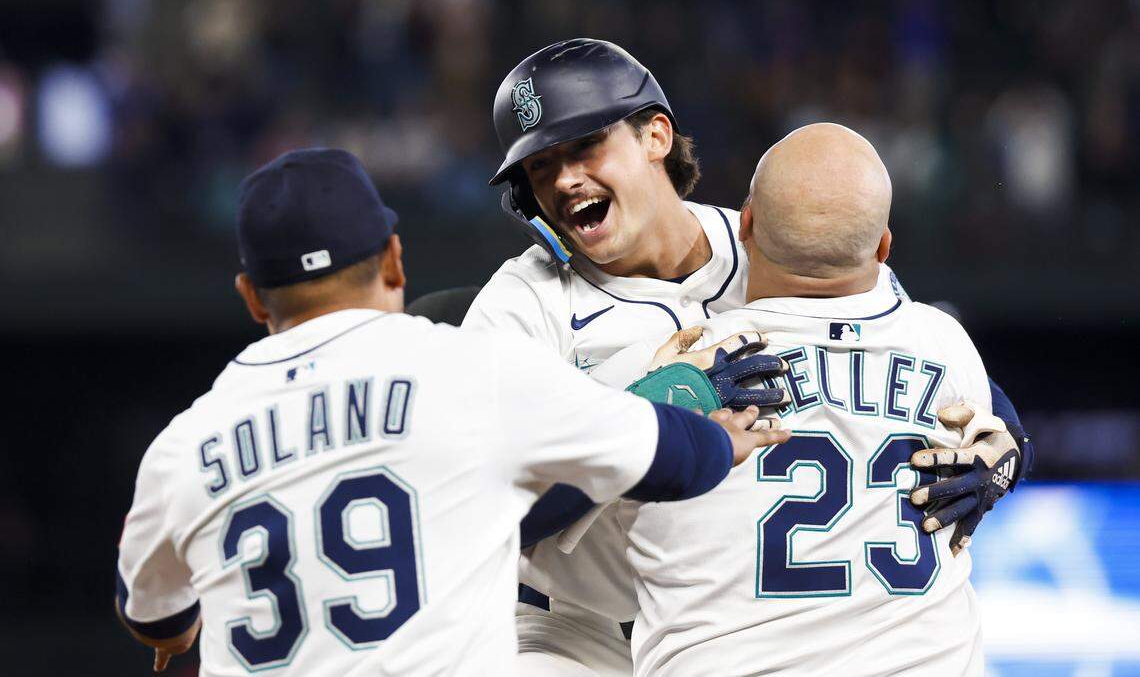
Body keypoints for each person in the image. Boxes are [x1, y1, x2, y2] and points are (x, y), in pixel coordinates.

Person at [463, 39, 1033, 675]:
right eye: (540, 168)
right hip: (573, 628)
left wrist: (1003, 451)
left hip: (736, 615)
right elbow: (467, 510)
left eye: (583, 148)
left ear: (655, 136)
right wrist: (648, 412)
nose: (565, 179)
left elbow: (918, 353)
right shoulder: (519, 309)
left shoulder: (782, 238)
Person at [113, 148, 788, 676]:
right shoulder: (472, 370)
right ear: (394, 258)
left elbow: (155, 616)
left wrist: (179, 628)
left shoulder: (182, 446)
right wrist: (707, 421)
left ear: (253, 298)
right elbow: (677, 457)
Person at [577, 123, 1020, 674]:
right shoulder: (945, 346)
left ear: (746, 224)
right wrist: (1012, 454)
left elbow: (525, 501)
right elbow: (1002, 431)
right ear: (884, 246)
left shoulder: (666, 365)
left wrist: (637, 409)